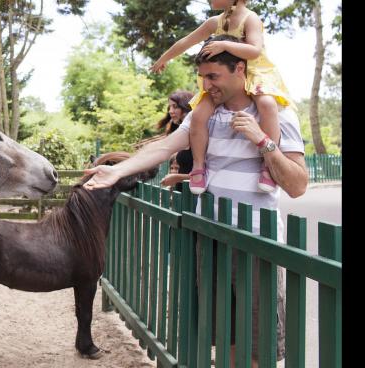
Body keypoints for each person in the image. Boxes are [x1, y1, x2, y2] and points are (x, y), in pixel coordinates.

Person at [84, 35, 308, 366]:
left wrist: (261, 140)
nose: (206, 84)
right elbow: (164, 147)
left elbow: (298, 184)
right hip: (212, 238)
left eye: (213, 76)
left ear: (240, 69)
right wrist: (117, 172)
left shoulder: (277, 112)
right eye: (202, 77)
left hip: (258, 243)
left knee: (260, 346)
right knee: (225, 337)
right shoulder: (202, 116)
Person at [151, 0, 294, 195]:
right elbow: (186, 41)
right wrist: (164, 58)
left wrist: (224, 44)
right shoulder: (214, 22)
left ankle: (267, 166)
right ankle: (199, 166)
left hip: (253, 74)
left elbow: (255, 50)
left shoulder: (249, 18)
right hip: (225, 79)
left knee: (267, 104)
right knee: (199, 114)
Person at [156, 90, 194, 192]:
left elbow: (205, 176)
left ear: (186, 107)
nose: (170, 111)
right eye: (170, 107)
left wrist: (177, 178)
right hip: (183, 197)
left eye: (175, 106)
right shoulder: (182, 135)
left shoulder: (196, 134)